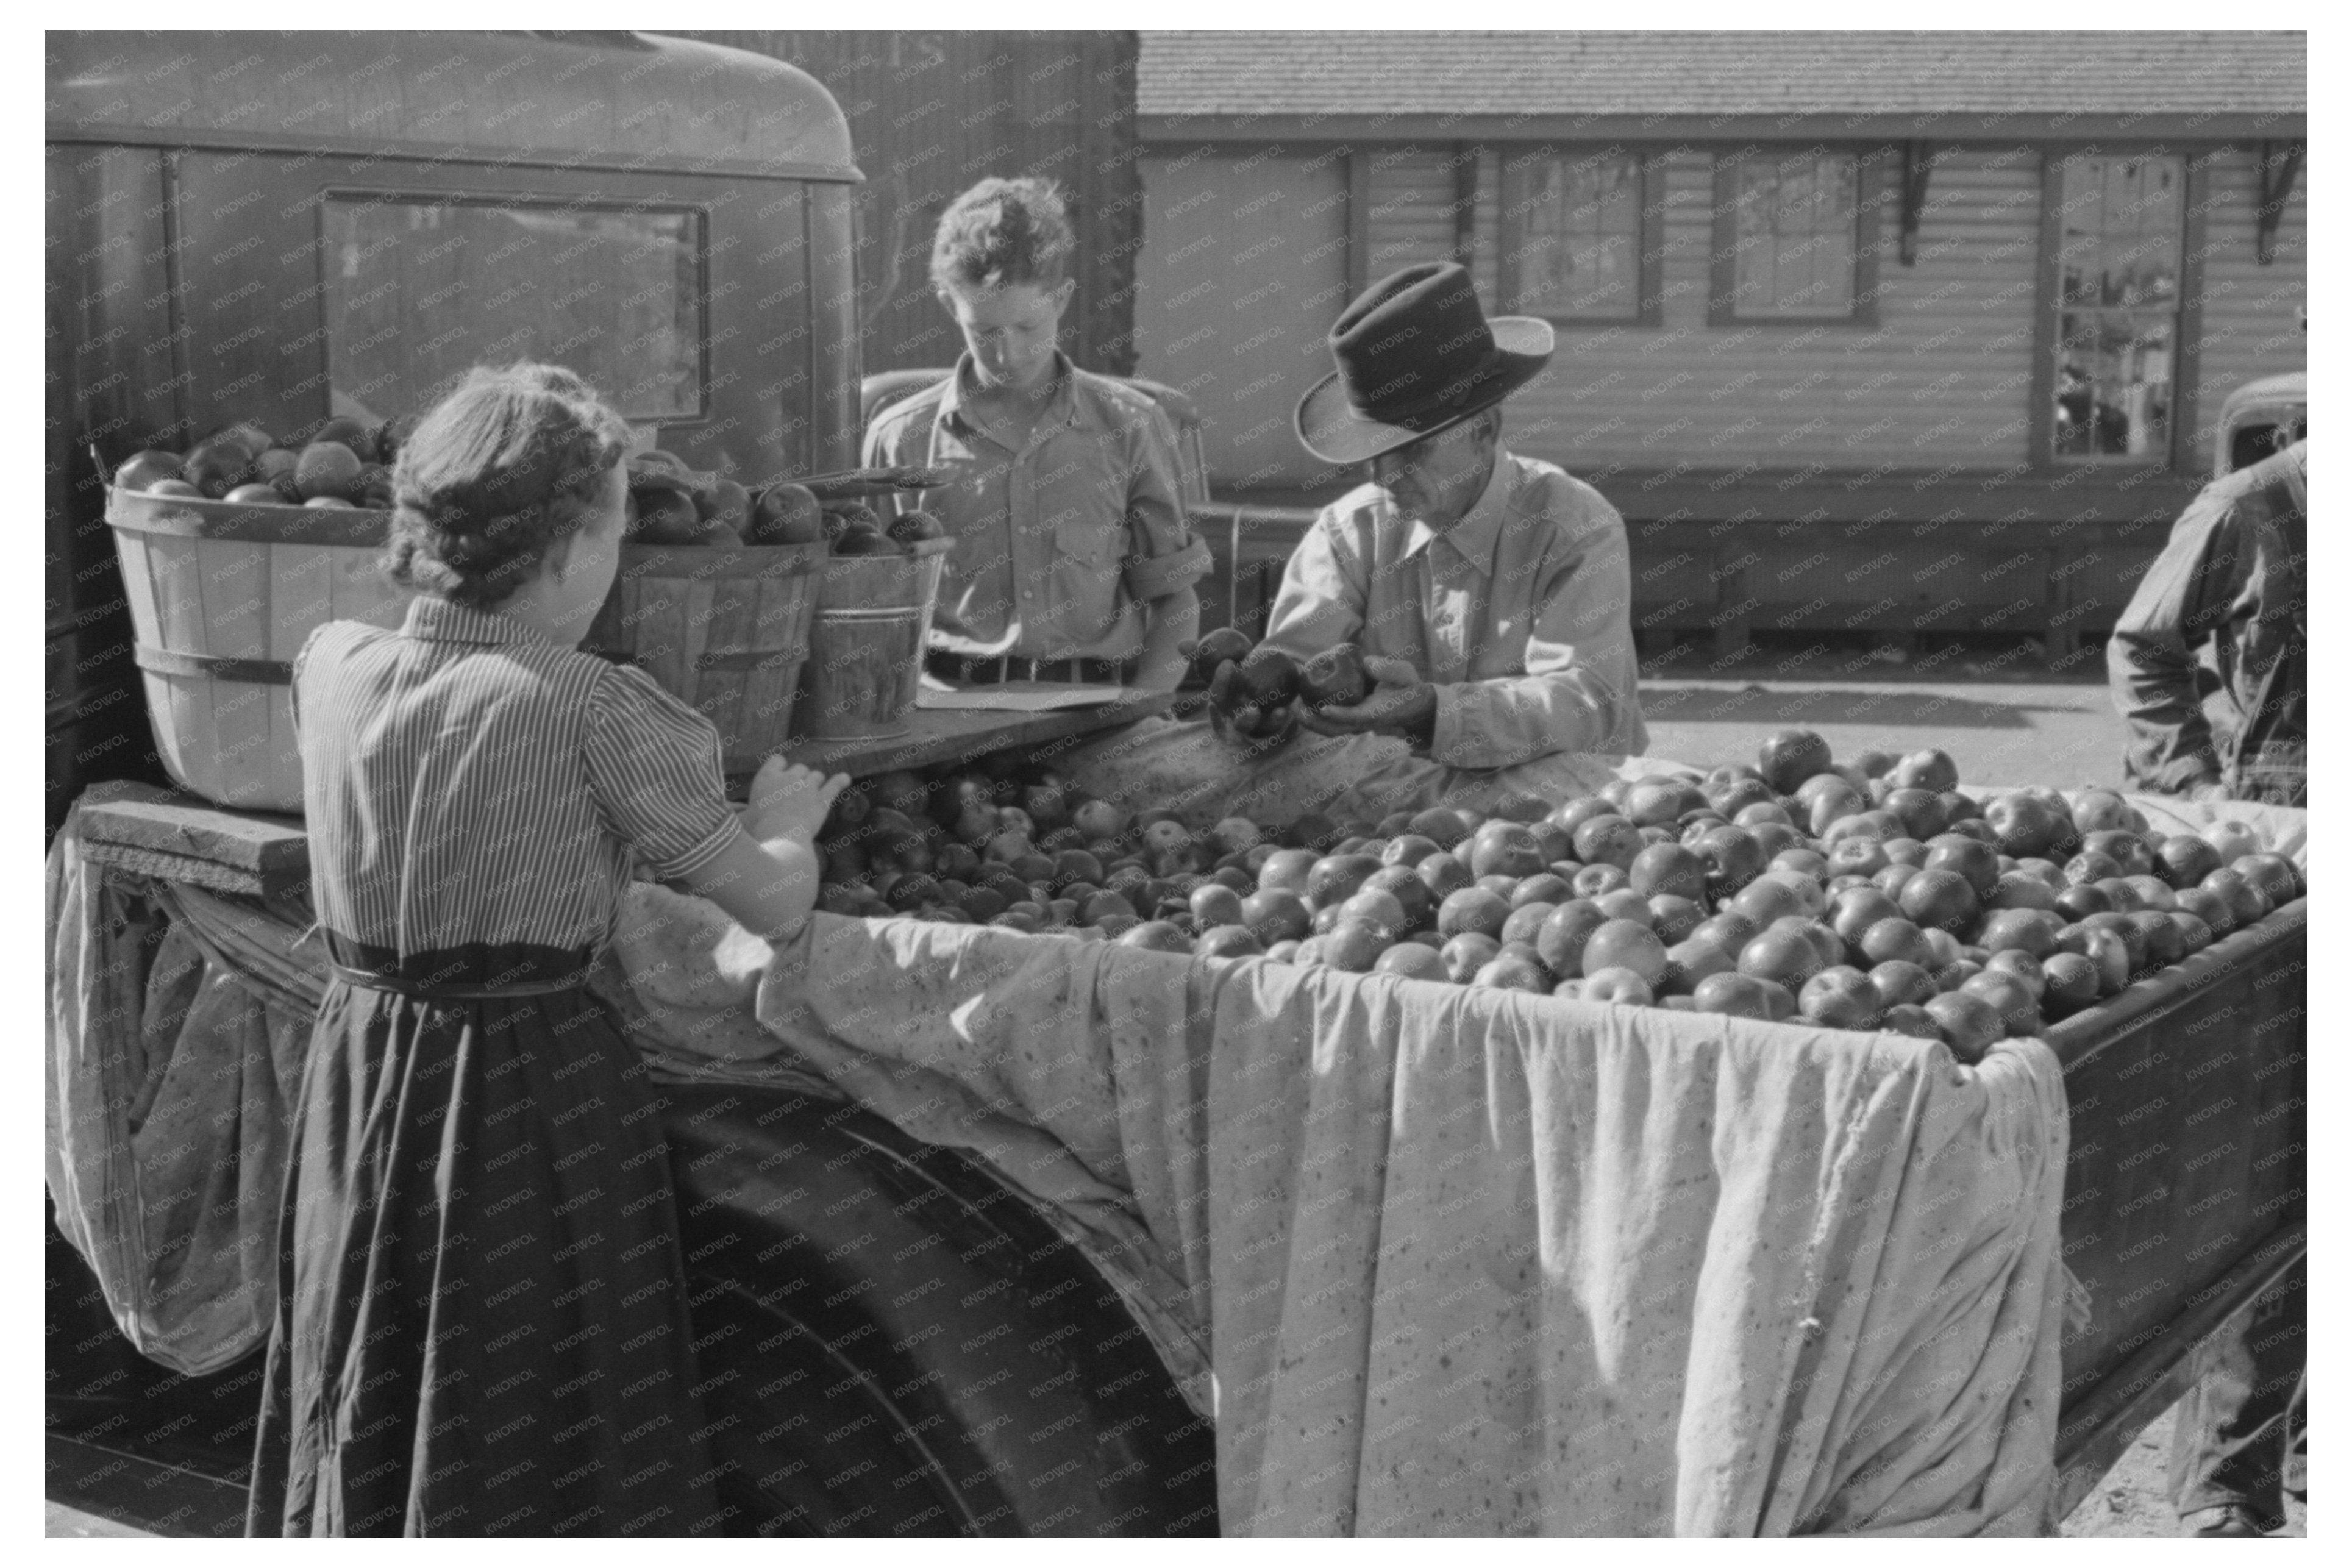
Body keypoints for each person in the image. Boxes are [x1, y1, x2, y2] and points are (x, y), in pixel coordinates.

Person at [248, 363, 847, 1536]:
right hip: (522, 1098)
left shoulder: (331, 665)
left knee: (372, 1348)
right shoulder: (591, 705)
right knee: (524, 1392)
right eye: (619, 527)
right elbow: (769, 909)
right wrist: (787, 825)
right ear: (570, 548)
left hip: (362, 1070)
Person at [1063, 260, 1647, 830]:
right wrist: (1256, 714)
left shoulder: (1573, 527)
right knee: (1161, 762)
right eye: (1373, 456)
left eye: (1412, 452)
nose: (1384, 479)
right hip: (1388, 781)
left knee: (1597, 792)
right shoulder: (1351, 529)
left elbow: (1588, 704)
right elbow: (1288, 675)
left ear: (1486, 432)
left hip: (1526, 781)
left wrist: (1433, 710)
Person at [2106, 438, 2306, 1538]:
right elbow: (2144, 647)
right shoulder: (2253, 505)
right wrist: (2188, 793)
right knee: (2283, 1184)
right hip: (2287, 862)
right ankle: (2225, 1489)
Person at [863, 176, 1211, 694]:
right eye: (984, 332)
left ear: (1062, 299)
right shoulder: (901, 441)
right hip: (948, 721)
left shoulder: (1132, 427)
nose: (1008, 354)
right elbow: (867, 613)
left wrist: (1141, 709)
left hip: (1097, 716)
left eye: (1026, 327)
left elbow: (1173, 600)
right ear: (946, 304)